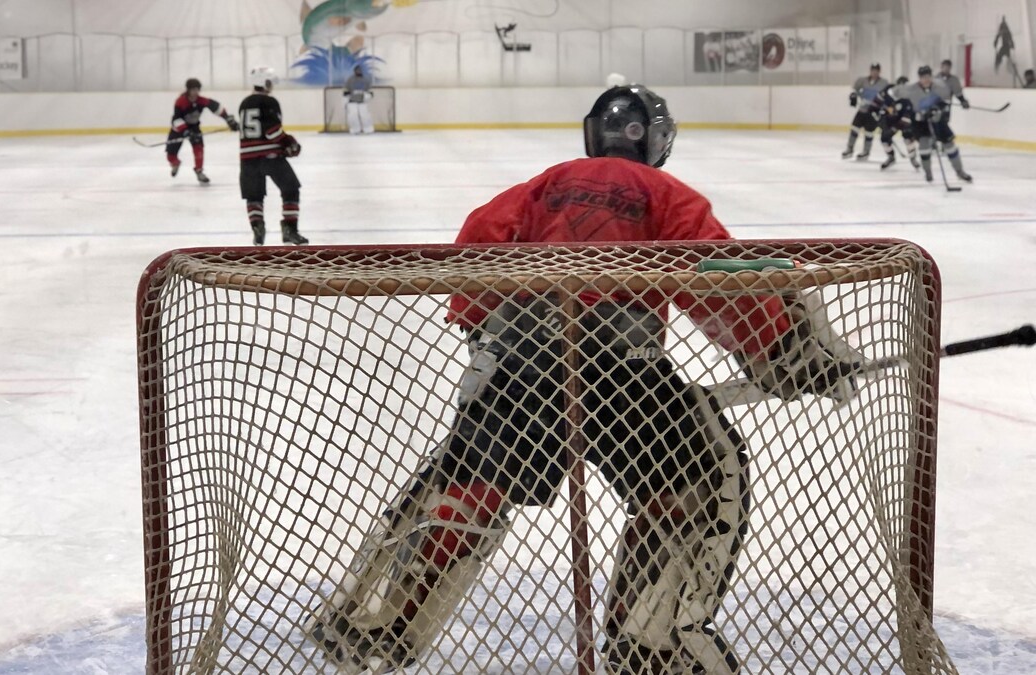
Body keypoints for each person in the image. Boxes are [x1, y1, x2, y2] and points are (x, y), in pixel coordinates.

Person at [309, 85, 861, 673]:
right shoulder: (665, 192)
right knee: (695, 481)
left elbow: (480, 240)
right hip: (626, 377)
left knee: (469, 484)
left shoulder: (546, 182)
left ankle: (375, 623)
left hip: (521, 363)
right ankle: (651, 644)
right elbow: (714, 279)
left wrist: (479, 323)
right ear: (655, 140)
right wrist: (782, 353)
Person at [238, 66, 307, 245]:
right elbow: (272, 132)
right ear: (264, 82)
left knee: (254, 195)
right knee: (291, 188)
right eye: (269, 82)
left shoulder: (244, 103)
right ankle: (290, 230)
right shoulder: (269, 101)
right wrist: (289, 143)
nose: (271, 86)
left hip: (247, 159)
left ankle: (258, 230)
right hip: (269, 157)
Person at [897, 65, 972, 183]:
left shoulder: (940, 87)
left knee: (949, 145)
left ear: (931, 76)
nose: (926, 79)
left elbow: (946, 102)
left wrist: (962, 101)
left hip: (937, 120)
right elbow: (893, 92)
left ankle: (959, 171)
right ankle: (928, 172)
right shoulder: (911, 89)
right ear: (919, 78)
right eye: (923, 77)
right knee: (924, 145)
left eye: (928, 76)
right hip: (920, 122)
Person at [166, 78, 238, 184]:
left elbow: (217, 108)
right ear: (188, 90)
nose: (196, 92)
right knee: (170, 154)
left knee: (198, 148)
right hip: (178, 129)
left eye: (197, 90)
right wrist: (185, 131)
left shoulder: (201, 100)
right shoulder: (180, 102)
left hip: (194, 127)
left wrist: (228, 119)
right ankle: (175, 163)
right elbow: (176, 119)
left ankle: (199, 171)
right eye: (193, 90)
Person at [875, 77, 920, 171]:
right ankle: (891, 157)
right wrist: (881, 119)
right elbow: (879, 105)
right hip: (891, 121)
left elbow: (906, 119)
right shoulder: (888, 94)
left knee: (908, 135)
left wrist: (894, 129)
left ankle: (912, 158)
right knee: (884, 138)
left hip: (903, 123)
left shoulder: (908, 100)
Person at [843, 63, 887, 160]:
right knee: (854, 128)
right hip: (862, 110)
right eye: (873, 70)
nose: (874, 72)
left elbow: (886, 97)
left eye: (876, 70)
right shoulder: (862, 81)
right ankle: (849, 148)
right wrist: (854, 96)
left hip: (873, 113)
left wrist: (883, 108)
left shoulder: (884, 83)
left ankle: (866, 152)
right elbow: (855, 90)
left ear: (879, 71)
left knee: (869, 133)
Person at [343, 65, 375, 135]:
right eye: (357, 70)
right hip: (352, 101)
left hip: (362, 101)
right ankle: (355, 129)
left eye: (359, 70)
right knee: (352, 115)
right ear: (354, 71)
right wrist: (345, 99)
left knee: (365, 115)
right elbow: (346, 91)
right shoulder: (350, 80)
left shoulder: (366, 80)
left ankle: (368, 129)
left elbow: (370, 91)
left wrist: (368, 96)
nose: (358, 72)